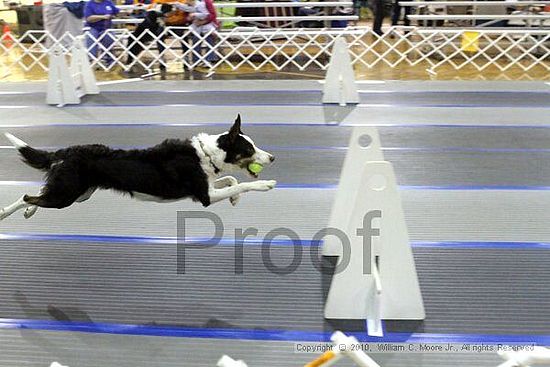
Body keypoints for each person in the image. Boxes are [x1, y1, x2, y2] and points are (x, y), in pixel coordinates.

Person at [125, 0, 191, 73]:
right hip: (155, 25)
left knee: (183, 34)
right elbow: (150, 11)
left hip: (177, 25)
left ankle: (186, 57)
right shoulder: (158, 2)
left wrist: (168, 18)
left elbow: (183, 17)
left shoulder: (183, 2)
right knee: (137, 37)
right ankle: (161, 57)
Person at [84, 0, 120, 67]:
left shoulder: (108, 2)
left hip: (107, 28)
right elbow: (89, 18)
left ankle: (109, 60)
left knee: (109, 38)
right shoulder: (89, 4)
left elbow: (116, 12)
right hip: (93, 27)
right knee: (91, 38)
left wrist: (113, 15)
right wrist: (103, 17)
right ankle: (91, 60)